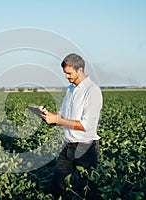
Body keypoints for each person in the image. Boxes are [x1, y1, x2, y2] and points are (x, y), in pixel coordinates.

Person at [40, 53, 102, 199]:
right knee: (55, 188)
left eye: (69, 73)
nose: (67, 77)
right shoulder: (71, 89)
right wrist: (49, 115)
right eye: (65, 73)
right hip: (68, 147)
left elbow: (85, 125)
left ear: (80, 70)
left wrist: (58, 120)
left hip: (86, 149)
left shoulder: (92, 91)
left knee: (86, 191)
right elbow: (63, 116)